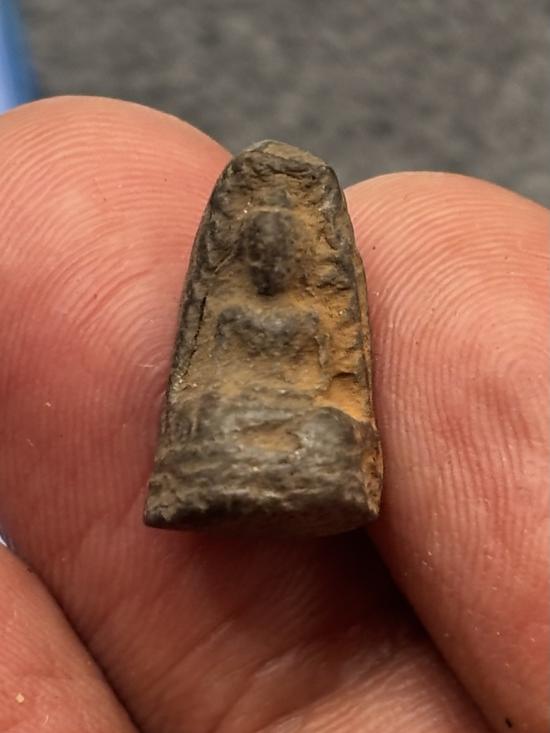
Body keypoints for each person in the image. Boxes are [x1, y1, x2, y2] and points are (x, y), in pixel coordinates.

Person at [0, 96, 547, 733]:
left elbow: (330, 380)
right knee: (210, 415)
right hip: (237, 420)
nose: (270, 264)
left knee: (330, 429)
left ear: (299, 258)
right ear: (244, 253)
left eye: (282, 253)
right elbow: (204, 377)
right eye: (259, 252)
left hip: (297, 425)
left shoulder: (309, 313)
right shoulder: (229, 311)